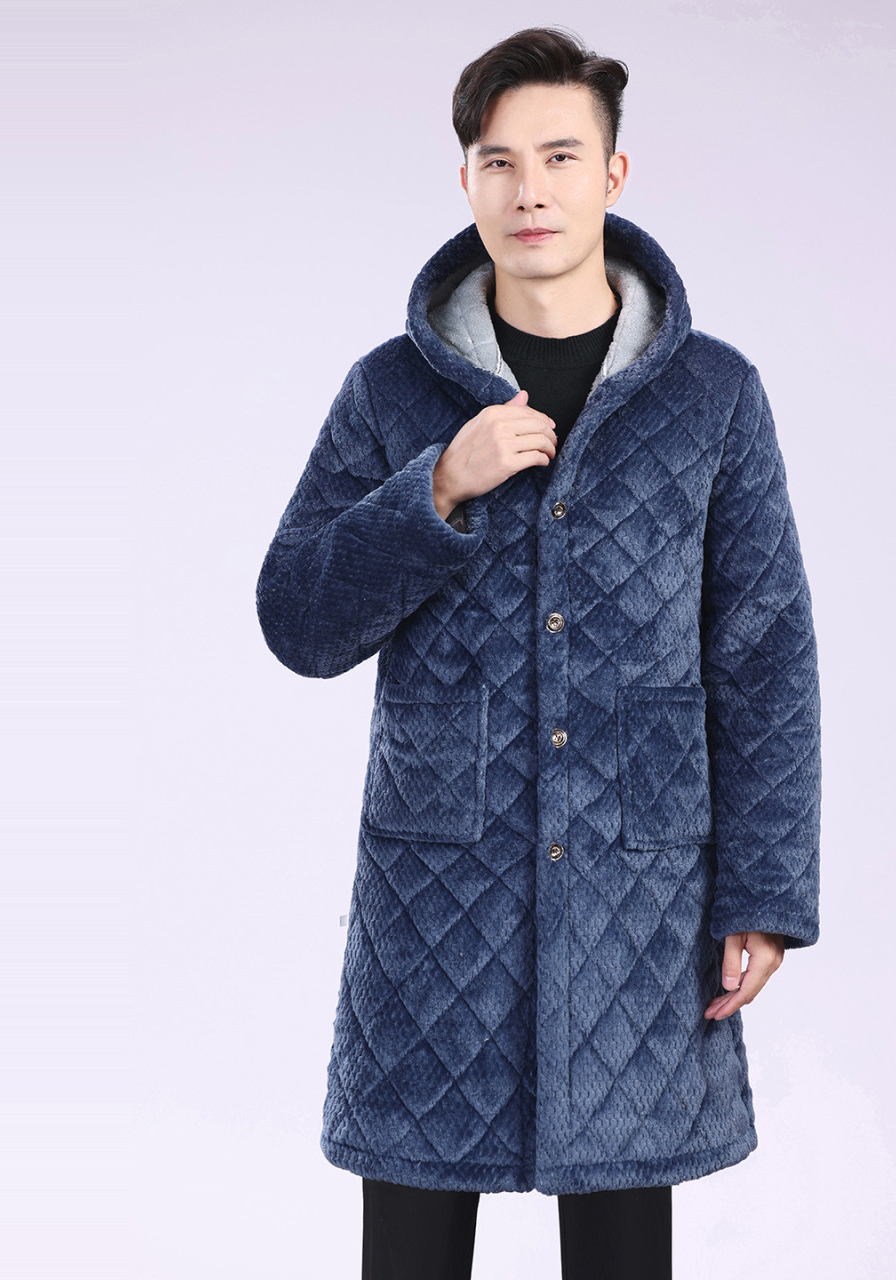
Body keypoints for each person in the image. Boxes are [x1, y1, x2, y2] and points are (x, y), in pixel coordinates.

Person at [256, 25, 822, 1280]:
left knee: (621, 1245)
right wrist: (434, 490)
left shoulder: (712, 396)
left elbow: (764, 655)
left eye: (560, 156)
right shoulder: (390, 393)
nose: (531, 189)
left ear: (612, 174)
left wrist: (765, 891)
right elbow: (296, 618)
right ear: (464, 178)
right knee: (409, 1246)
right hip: (433, 904)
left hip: (639, 895)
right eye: (500, 160)